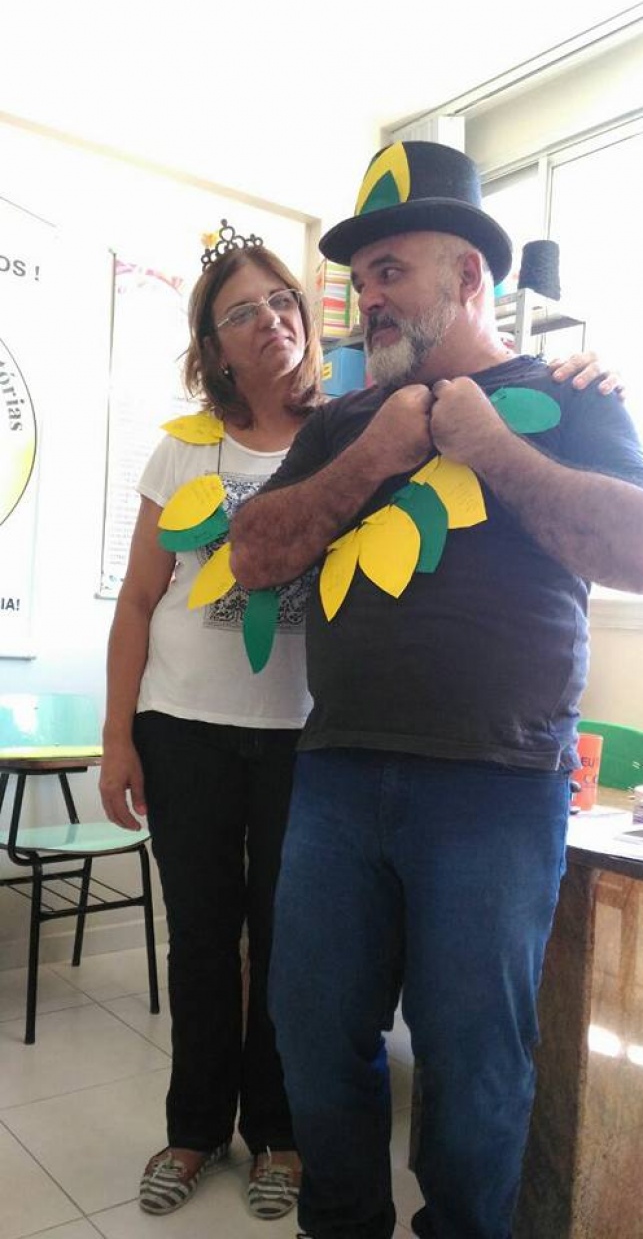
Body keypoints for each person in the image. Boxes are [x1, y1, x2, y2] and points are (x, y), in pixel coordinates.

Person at [229, 141, 643, 1239]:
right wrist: (374, 456)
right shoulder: (342, 422)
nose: (368, 297)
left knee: (475, 1066)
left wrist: (491, 446)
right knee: (311, 1033)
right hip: (336, 776)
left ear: (471, 275)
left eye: (392, 270)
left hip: (496, 784)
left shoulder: (565, 395)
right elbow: (253, 555)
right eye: (360, 278)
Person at [99, 229, 324, 1219]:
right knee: (200, 938)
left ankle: (277, 1131)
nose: (270, 319)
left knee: (284, 940)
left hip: (300, 737)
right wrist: (118, 738)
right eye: (243, 311)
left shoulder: (341, 435)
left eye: (281, 300)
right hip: (181, 727)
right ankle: (194, 1129)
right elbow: (138, 600)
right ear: (214, 346)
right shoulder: (184, 444)